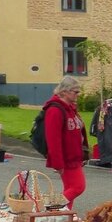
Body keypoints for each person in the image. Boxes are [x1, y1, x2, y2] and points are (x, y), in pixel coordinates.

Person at [43, 76, 89, 210]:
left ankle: (63, 216)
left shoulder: (70, 109)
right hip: (67, 159)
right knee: (78, 187)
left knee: (70, 189)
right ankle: (52, 208)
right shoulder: (55, 110)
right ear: (64, 92)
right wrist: (58, 163)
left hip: (74, 157)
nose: (78, 94)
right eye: (75, 91)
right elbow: (53, 140)